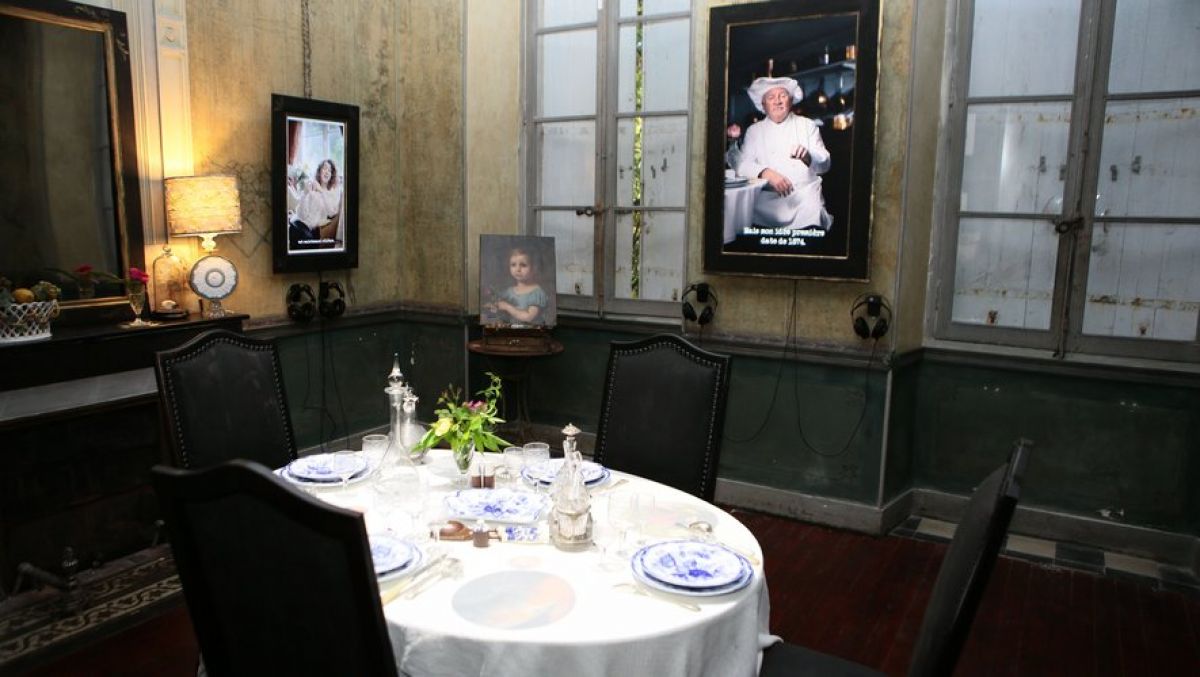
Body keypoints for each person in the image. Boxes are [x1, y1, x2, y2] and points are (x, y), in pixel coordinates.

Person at [735, 76, 833, 231]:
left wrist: (808, 156)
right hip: (766, 202)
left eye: (783, 96)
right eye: (771, 97)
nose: (777, 101)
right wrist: (766, 173)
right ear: (763, 104)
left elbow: (825, 165)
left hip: (804, 199)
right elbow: (742, 166)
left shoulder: (807, 125)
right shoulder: (754, 131)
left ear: (791, 100)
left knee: (810, 235)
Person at [484, 247, 549, 325]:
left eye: (523, 265)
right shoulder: (508, 292)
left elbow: (528, 317)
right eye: (513, 265)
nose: (518, 269)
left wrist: (507, 307)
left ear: (534, 268)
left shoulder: (537, 293)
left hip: (531, 330)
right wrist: (493, 306)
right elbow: (498, 307)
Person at [287, 158, 343, 248]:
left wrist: (321, 190)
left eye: (329, 170)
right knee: (297, 232)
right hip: (300, 224)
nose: (327, 172)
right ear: (319, 172)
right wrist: (305, 194)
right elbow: (301, 214)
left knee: (305, 239)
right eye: (324, 168)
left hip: (313, 230)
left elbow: (332, 212)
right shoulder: (312, 189)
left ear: (332, 175)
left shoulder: (332, 192)